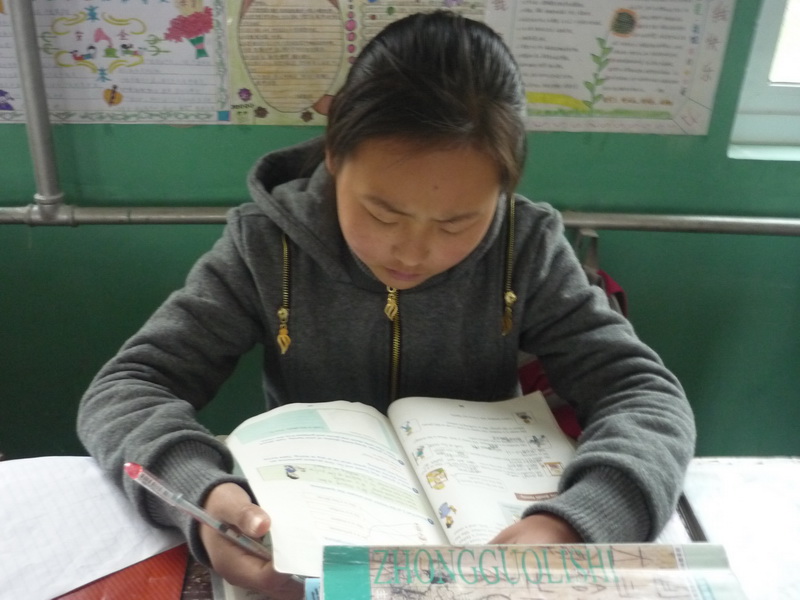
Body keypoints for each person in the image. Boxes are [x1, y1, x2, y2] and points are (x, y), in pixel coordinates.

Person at [77, 10, 695, 598]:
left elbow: (643, 395)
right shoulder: (265, 247)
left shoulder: (526, 247)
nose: (414, 251)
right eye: (381, 213)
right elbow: (128, 388)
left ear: (504, 190)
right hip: (316, 534)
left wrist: (578, 520)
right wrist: (203, 494)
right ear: (334, 154)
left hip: (486, 534)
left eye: (457, 223)